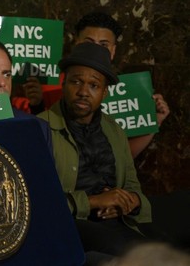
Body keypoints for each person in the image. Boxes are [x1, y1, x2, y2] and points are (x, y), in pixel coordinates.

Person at [37, 42, 151, 261]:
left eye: (93, 85)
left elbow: (133, 185)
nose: (83, 92)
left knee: (164, 252)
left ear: (105, 92)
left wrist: (128, 202)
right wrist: (95, 201)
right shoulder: (40, 128)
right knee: (127, 254)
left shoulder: (114, 130)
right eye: (76, 82)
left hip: (118, 221)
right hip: (69, 225)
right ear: (64, 83)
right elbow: (39, 202)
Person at [19, 11, 170, 158]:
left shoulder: (128, 92)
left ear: (113, 50)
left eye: (103, 45)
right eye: (88, 43)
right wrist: (37, 104)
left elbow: (123, 157)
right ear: (76, 43)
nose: (95, 50)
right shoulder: (48, 86)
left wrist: (153, 122)